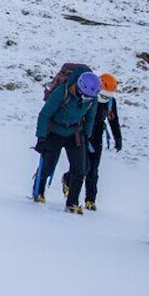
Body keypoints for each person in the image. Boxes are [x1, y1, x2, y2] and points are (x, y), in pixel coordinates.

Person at [33, 68, 100, 214]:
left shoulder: (92, 98)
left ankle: (72, 203)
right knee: (48, 164)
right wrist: (41, 138)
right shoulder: (61, 92)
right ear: (79, 87)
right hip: (55, 132)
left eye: (90, 97)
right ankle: (38, 191)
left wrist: (87, 136)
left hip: (74, 133)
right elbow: (44, 114)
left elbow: (90, 118)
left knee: (80, 169)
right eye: (86, 95)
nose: (88, 98)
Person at [61, 73, 123, 211]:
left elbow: (114, 120)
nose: (106, 97)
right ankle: (68, 179)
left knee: (94, 169)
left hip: (97, 138)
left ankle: (90, 200)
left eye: (109, 95)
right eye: (104, 94)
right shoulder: (89, 97)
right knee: (84, 166)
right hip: (82, 135)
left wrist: (118, 138)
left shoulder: (111, 103)